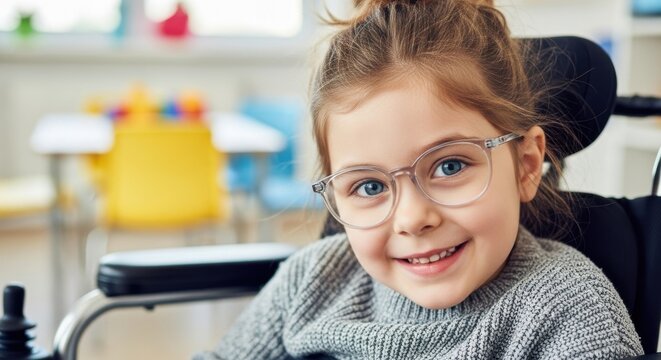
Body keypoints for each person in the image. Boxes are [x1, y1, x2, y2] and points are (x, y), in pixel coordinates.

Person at [195, 0, 643, 358]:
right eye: (368, 186)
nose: (412, 218)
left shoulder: (567, 315)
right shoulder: (311, 280)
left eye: (450, 166)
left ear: (526, 166)